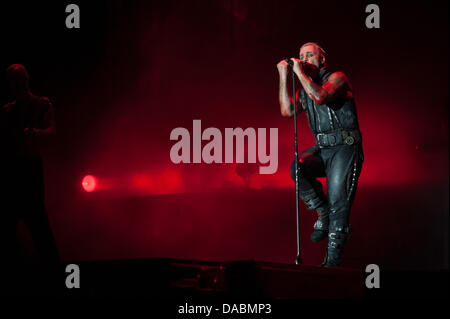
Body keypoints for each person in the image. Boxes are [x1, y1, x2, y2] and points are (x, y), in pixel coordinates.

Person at [277, 43, 364, 267]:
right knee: (298, 168)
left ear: (322, 60)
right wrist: (284, 75)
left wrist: (298, 72)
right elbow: (287, 111)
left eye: (309, 55)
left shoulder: (337, 78)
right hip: (323, 149)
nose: (304, 59)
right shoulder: (304, 89)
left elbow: (320, 96)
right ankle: (322, 212)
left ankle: (331, 266)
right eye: (300, 56)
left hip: (344, 148)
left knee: (339, 204)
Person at [0, 64, 60, 293]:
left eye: (17, 79)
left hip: (29, 170)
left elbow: (52, 131)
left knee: (39, 226)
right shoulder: (6, 111)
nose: (14, 85)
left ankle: (54, 280)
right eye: (10, 80)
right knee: (9, 229)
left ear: (25, 80)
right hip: (11, 172)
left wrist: (36, 134)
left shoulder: (41, 104)